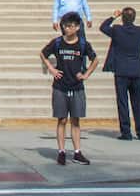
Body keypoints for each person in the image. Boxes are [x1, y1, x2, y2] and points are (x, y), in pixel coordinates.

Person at [41, 11, 98, 166]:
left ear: (78, 27)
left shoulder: (83, 44)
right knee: (62, 119)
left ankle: (77, 152)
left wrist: (86, 75)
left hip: (77, 86)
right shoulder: (58, 42)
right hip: (60, 86)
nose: (68, 29)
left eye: (71, 26)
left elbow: (95, 59)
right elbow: (43, 53)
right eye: (66, 26)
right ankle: (61, 151)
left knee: (76, 120)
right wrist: (51, 69)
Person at [100, 6, 140, 140]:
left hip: (121, 70)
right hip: (137, 70)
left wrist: (113, 16)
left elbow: (103, 27)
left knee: (123, 102)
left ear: (122, 18)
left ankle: (126, 132)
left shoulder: (117, 30)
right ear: (134, 18)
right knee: (138, 103)